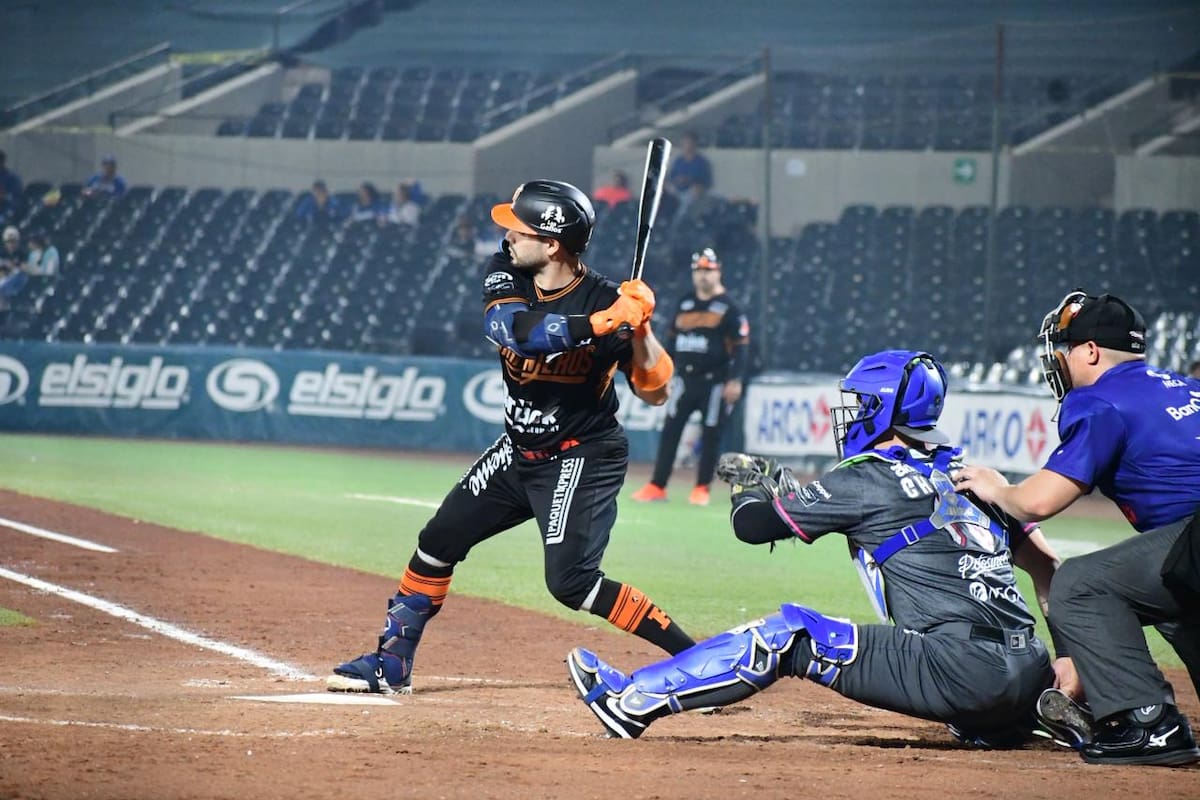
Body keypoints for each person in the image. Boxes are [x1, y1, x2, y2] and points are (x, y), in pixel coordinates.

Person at [569, 350, 1070, 749]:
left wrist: (748, 484)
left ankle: (631, 701)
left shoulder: (869, 474)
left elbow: (752, 525)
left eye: (858, 403)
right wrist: (1064, 666)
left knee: (791, 634)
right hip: (1032, 679)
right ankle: (1004, 720)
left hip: (961, 671)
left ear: (880, 412)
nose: (849, 414)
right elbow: (1052, 574)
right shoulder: (978, 477)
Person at [328, 179, 696, 695]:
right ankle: (393, 664)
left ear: (551, 243)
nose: (507, 239)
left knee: (572, 583)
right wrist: (602, 321)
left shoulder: (610, 301)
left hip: (583, 453)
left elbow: (656, 392)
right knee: (438, 541)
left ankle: (698, 661)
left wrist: (641, 328)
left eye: (518, 231)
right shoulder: (508, 274)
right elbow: (514, 330)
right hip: (520, 450)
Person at [954, 291, 1200, 767]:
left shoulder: (1099, 399)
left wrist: (996, 487)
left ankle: (1149, 722)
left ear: (1089, 351)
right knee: (1177, 598)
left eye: (1064, 349)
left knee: (1080, 584)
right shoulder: (1183, 386)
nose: (1059, 361)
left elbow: (1039, 502)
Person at [631, 248, 750, 506]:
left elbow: (741, 347)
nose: (703, 276)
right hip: (684, 379)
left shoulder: (730, 307)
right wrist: (665, 374)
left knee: (711, 435)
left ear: (718, 272)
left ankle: (701, 488)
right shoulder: (684, 303)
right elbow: (671, 342)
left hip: (715, 382)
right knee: (670, 431)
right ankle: (657, 485)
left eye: (708, 270)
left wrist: (735, 379)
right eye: (698, 271)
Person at [666, 132, 712, 196]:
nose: (687, 146)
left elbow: (707, 182)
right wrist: (677, 180)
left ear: (695, 144)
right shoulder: (678, 161)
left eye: (689, 143)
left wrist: (689, 180)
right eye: (685, 143)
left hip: (693, 192)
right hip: (677, 190)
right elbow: (671, 177)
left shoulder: (702, 162)